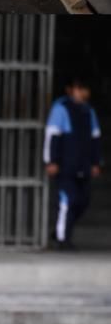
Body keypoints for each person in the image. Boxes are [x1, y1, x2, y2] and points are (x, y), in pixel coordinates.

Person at [43, 77, 103, 250]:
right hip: (66, 164)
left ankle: (60, 230)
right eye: (79, 88)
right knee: (67, 200)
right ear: (70, 90)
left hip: (83, 163)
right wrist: (51, 161)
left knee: (83, 201)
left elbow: (95, 138)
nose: (82, 92)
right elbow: (52, 136)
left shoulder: (88, 111)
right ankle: (63, 239)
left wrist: (95, 162)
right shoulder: (61, 108)